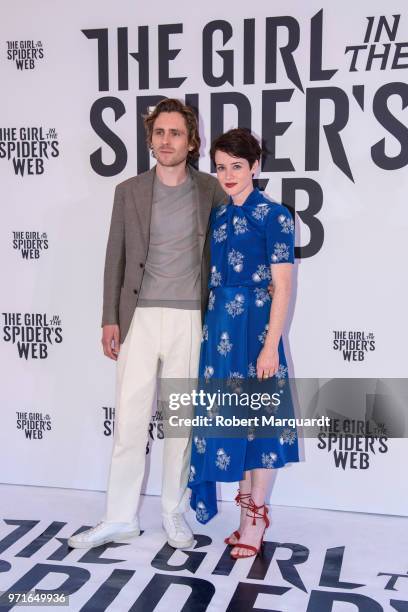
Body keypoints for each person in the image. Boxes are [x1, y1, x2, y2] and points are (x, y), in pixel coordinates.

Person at [68, 98, 226, 550]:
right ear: (150, 139)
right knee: (130, 423)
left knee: (179, 423)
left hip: (190, 320)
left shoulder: (210, 191)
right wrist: (108, 319)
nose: (166, 141)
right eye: (159, 133)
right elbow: (113, 258)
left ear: (191, 141)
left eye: (175, 133)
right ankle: (119, 518)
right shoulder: (129, 191)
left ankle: (173, 514)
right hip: (137, 319)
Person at [188, 128, 300, 559]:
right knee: (232, 425)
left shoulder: (275, 216)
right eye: (221, 167)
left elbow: (283, 288)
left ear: (255, 166)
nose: (229, 174)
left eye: (237, 165)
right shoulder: (218, 216)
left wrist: (271, 346)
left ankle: (256, 520)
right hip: (220, 335)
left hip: (255, 332)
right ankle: (244, 517)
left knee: (261, 428)